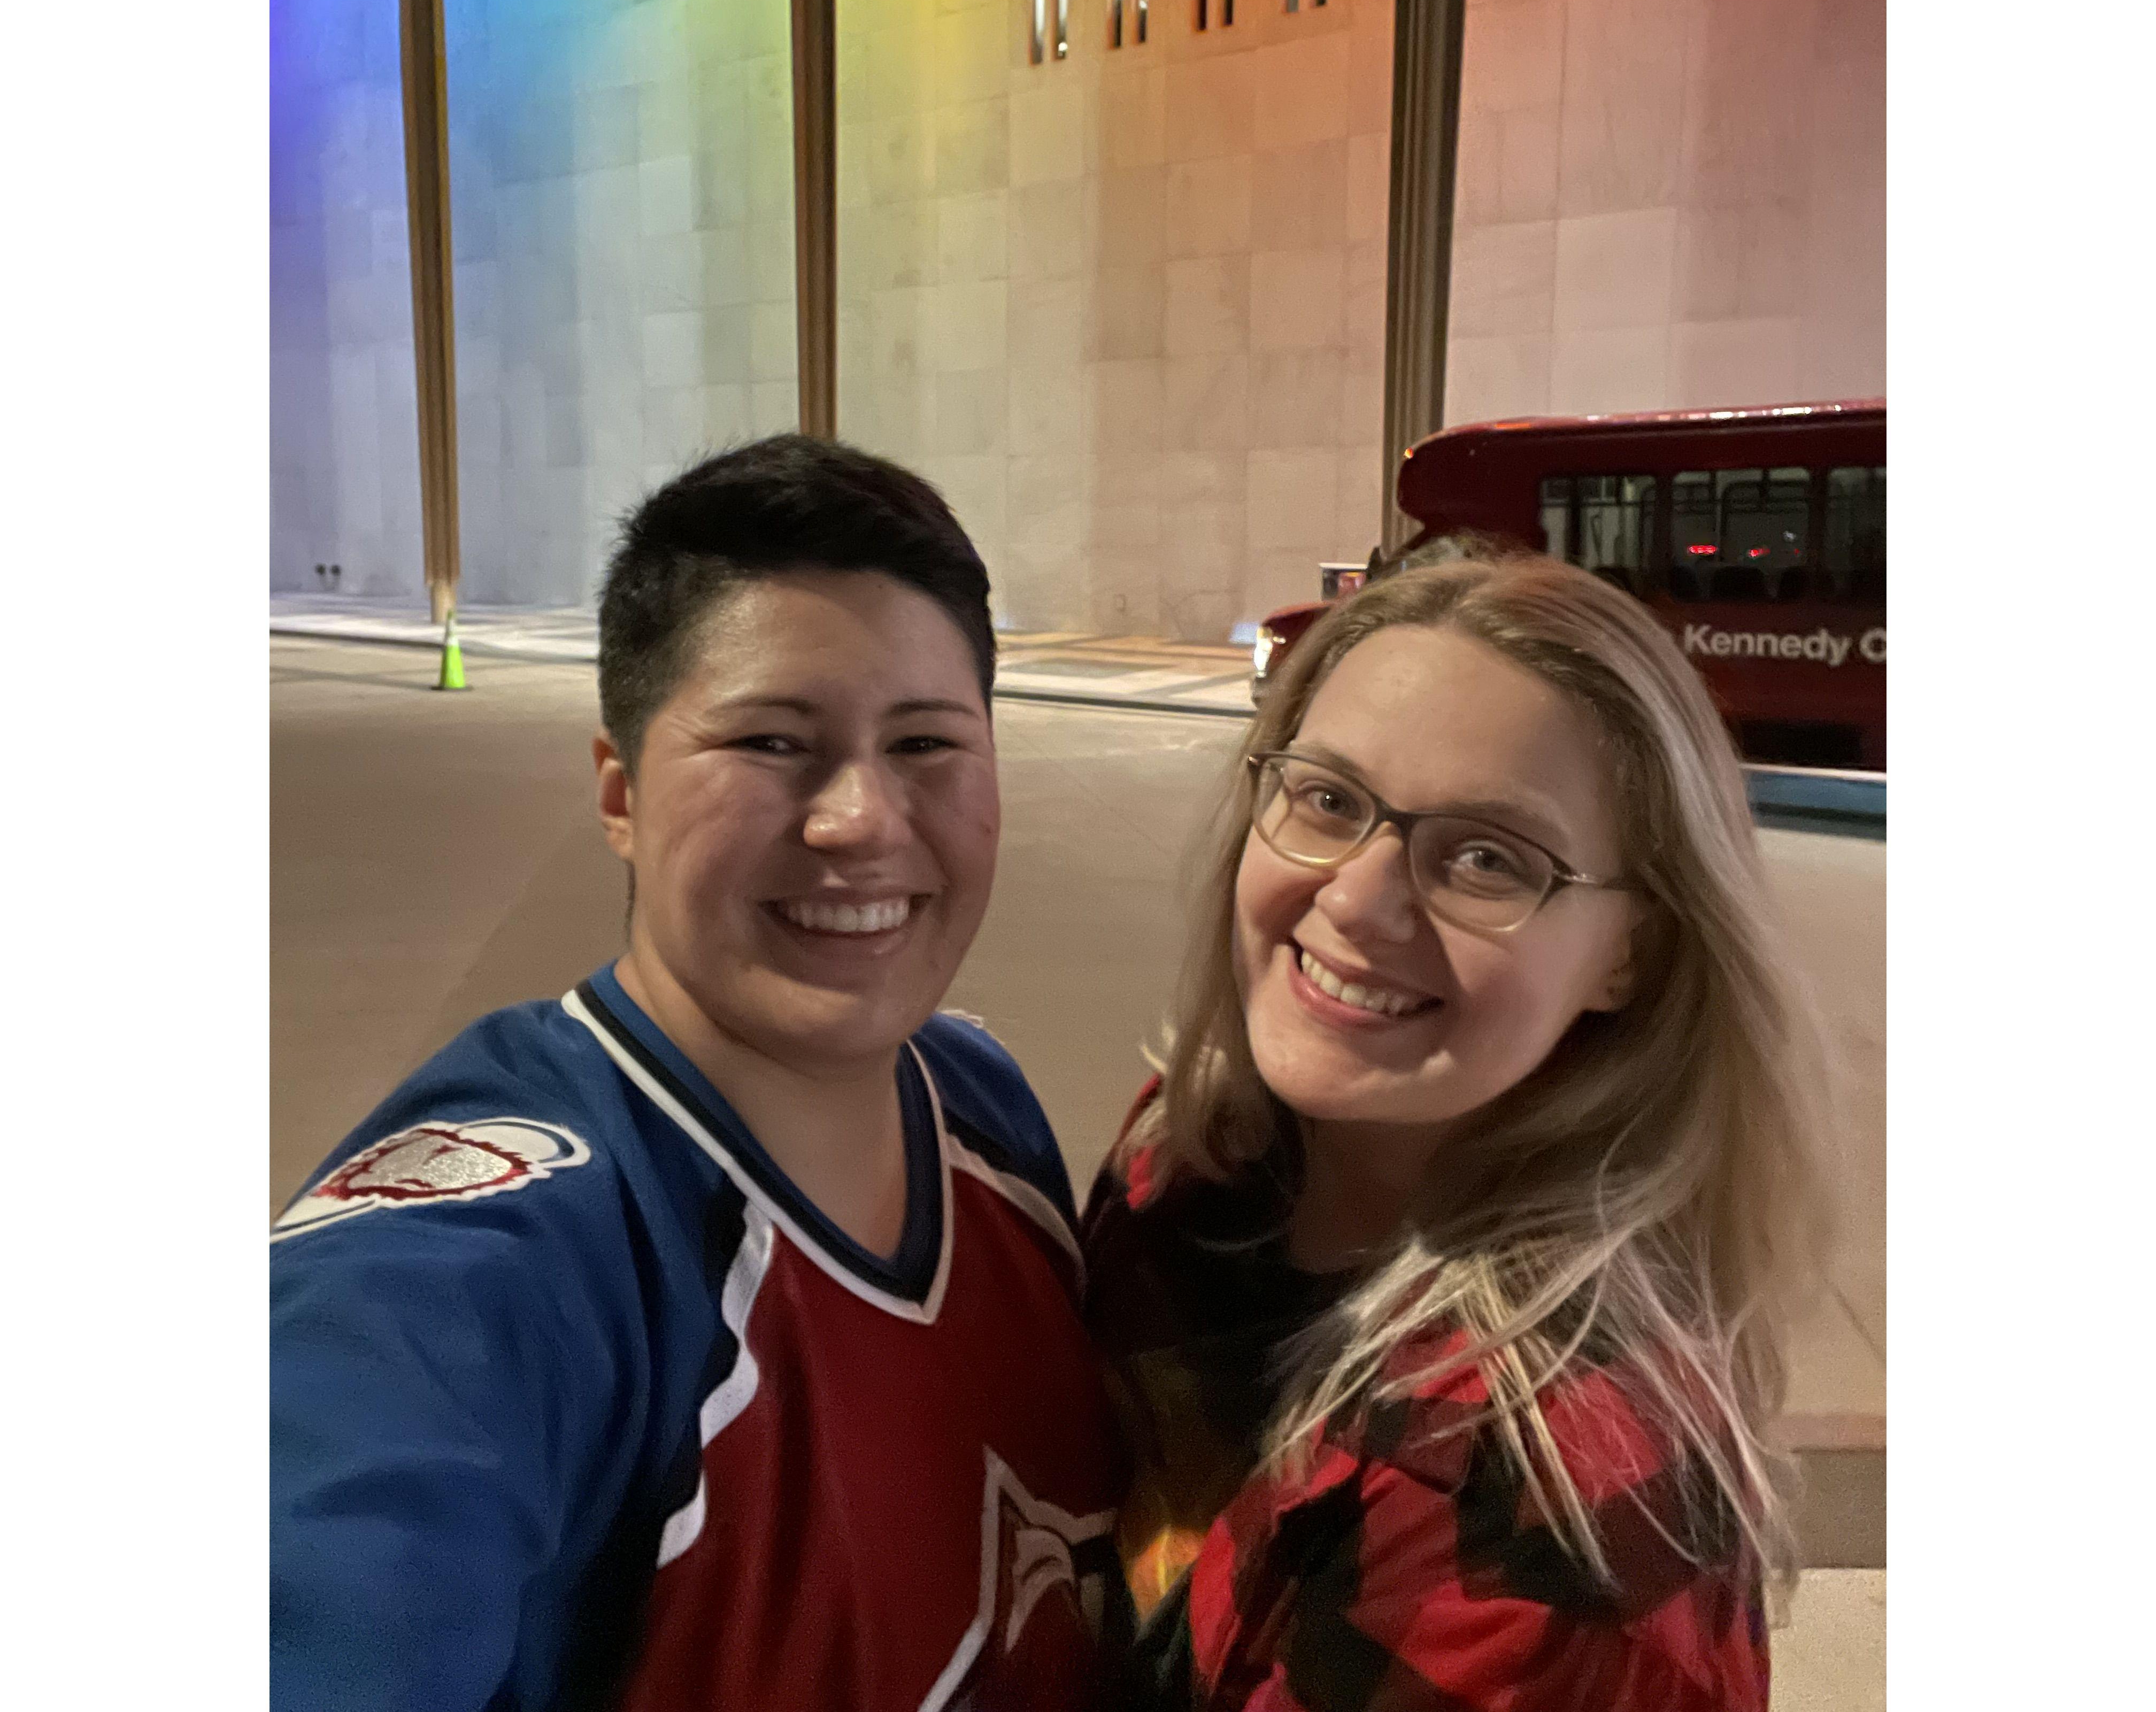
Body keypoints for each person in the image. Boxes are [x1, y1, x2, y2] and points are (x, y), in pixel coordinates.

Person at [272, 436, 1128, 1711]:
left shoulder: (978, 1102)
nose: (860, 819)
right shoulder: (506, 1260)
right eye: (775, 742)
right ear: (620, 792)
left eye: (928, 744)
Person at [1083, 547, 1834, 1710]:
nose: (1357, 901)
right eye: (1328, 800)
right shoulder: (1184, 1168)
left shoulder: (1539, 1506)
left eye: (1489, 859)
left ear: (1632, 953)